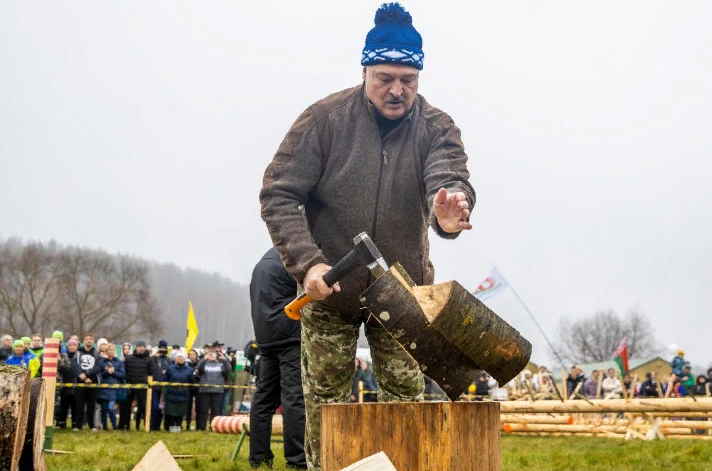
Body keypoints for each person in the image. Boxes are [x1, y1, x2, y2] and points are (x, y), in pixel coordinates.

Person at [259, 4, 474, 468]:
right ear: (365, 71)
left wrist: (449, 208)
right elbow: (278, 194)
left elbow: (448, 179)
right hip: (328, 291)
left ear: (419, 77)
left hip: (401, 295)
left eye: (408, 80)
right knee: (325, 407)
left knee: (406, 402)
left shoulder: (437, 128)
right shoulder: (324, 121)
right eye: (385, 77)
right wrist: (308, 262)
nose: (397, 90)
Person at [249, 247, 306, 468]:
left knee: (263, 399)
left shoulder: (261, 265)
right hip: (290, 336)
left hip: (265, 337)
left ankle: (259, 458)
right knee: (293, 399)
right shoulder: (292, 260)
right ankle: (297, 461)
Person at [72, 333, 102, 431]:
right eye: (87, 339)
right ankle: (78, 426)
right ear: (83, 340)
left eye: (90, 339)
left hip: (92, 381)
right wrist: (82, 376)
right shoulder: (78, 352)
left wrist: (88, 375)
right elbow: (74, 365)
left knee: (91, 405)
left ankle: (92, 426)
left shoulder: (96, 353)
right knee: (79, 405)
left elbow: (99, 366)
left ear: (93, 340)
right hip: (80, 381)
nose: (89, 340)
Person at [120, 340, 152, 430]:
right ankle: (126, 426)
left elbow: (152, 372)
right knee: (127, 407)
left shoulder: (149, 359)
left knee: (143, 407)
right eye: (139, 346)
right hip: (130, 386)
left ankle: (141, 425)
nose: (141, 348)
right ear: (136, 348)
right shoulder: (129, 359)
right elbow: (124, 372)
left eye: (143, 346)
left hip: (143, 387)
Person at [195, 351, 231, 431]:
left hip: (217, 391)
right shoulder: (204, 363)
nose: (212, 356)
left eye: (213, 355)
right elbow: (198, 369)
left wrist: (224, 359)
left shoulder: (221, 364)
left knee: (215, 411)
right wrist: (204, 359)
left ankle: (213, 427)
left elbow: (228, 371)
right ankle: (202, 428)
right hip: (204, 390)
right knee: (203, 410)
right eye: (210, 355)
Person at [163, 350, 193, 431]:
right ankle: (169, 428)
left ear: (184, 359)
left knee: (180, 414)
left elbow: (191, 382)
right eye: (178, 357)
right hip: (171, 395)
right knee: (170, 414)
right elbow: (165, 380)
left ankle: (178, 428)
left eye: (181, 357)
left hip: (183, 395)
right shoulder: (170, 368)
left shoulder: (189, 370)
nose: (179, 359)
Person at [97, 344, 124, 431]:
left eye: (113, 349)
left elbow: (122, 375)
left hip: (114, 389)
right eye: (109, 349)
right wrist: (107, 372)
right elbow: (99, 376)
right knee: (104, 409)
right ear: (106, 351)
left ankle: (114, 427)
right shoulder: (102, 362)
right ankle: (105, 427)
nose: (111, 351)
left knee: (111, 408)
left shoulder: (119, 362)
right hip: (103, 389)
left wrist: (113, 372)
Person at [56, 338, 79, 429]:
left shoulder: (79, 356)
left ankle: (74, 423)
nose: (72, 347)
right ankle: (61, 423)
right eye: (70, 345)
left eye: (74, 345)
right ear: (67, 346)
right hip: (65, 382)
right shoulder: (64, 355)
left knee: (75, 404)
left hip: (76, 382)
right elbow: (63, 368)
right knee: (63, 404)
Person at [150, 339, 172, 431]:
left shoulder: (168, 360)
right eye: (161, 348)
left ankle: (159, 426)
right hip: (155, 387)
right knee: (154, 407)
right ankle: (153, 426)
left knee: (162, 408)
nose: (163, 350)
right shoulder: (154, 359)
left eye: (164, 348)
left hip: (165, 388)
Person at [186, 349, 200, 431]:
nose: (192, 356)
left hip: (198, 387)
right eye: (190, 354)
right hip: (188, 388)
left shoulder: (199, 364)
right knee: (188, 407)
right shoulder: (186, 364)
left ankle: (198, 426)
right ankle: (187, 424)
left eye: (193, 354)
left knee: (199, 407)